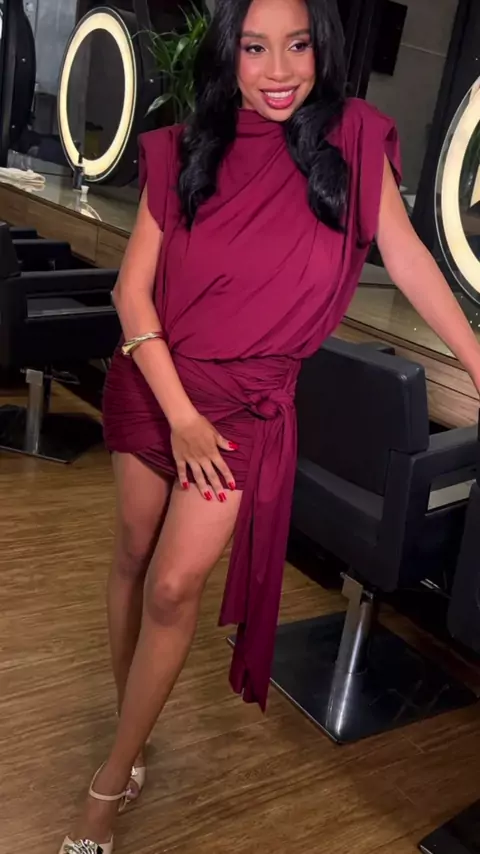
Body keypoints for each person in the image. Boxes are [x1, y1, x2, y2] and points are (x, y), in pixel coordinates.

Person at [59, 0, 480, 851]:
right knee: (133, 556)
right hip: (156, 383)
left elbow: (406, 257)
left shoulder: (353, 141)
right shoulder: (184, 147)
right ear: (230, 51)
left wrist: (476, 358)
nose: (279, 71)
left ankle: (108, 784)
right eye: (256, 48)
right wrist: (179, 415)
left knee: (174, 587)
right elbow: (131, 293)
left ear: (323, 49)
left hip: (246, 407)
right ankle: (129, 719)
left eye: (297, 46)